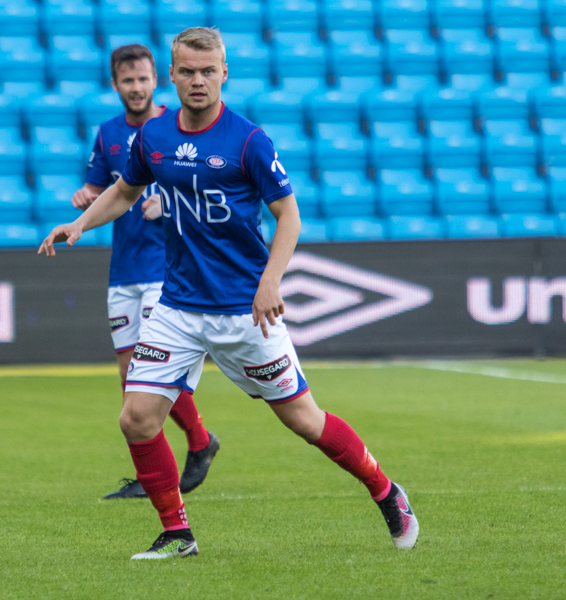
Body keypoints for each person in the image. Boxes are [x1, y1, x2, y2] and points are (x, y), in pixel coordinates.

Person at [40, 27, 418, 559]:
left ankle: (385, 491)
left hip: (245, 311)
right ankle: (178, 534)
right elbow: (125, 190)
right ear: (172, 75)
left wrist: (269, 283)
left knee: (305, 421)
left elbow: (289, 218)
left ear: (224, 74)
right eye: (187, 71)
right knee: (137, 417)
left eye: (208, 70)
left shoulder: (248, 141)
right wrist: (79, 224)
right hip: (177, 306)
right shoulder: (152, 138)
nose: (198, 80)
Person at [73, 43, 219, 500]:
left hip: (165, 269)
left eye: (143, 79)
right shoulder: (109, 133)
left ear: (158, 80)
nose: (136, 88)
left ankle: (195, 444)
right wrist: (84, 197)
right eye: (127, 80)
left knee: (152, 372)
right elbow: (103, 188)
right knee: (129, 378)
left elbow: (206, 193)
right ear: (115, 84)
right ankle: (175, 456)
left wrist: (169, 205)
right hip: (123, 270)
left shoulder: (174, 129)